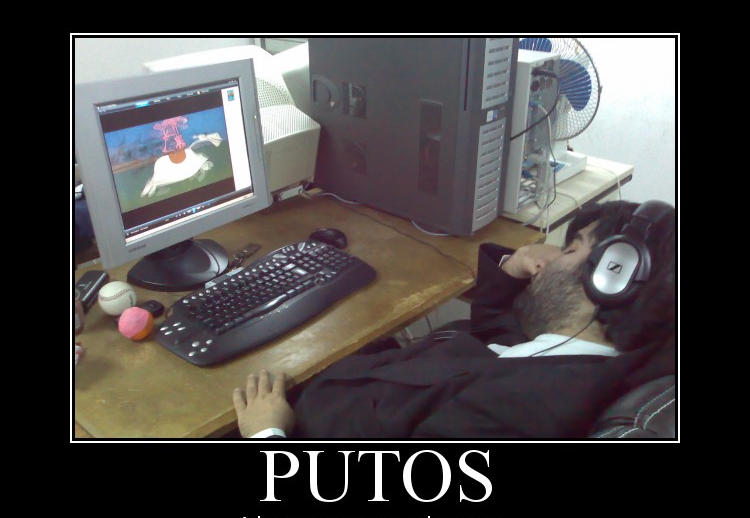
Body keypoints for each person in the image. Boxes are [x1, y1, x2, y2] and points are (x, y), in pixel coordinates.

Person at [233, 200, 676, 439]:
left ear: (610, 279)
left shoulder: (519, 415)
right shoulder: (594, 352)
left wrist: (266, 433)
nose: (551, 258)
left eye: (571, 249)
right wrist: (513, 267)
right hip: (365, 387)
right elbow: (500, 337)